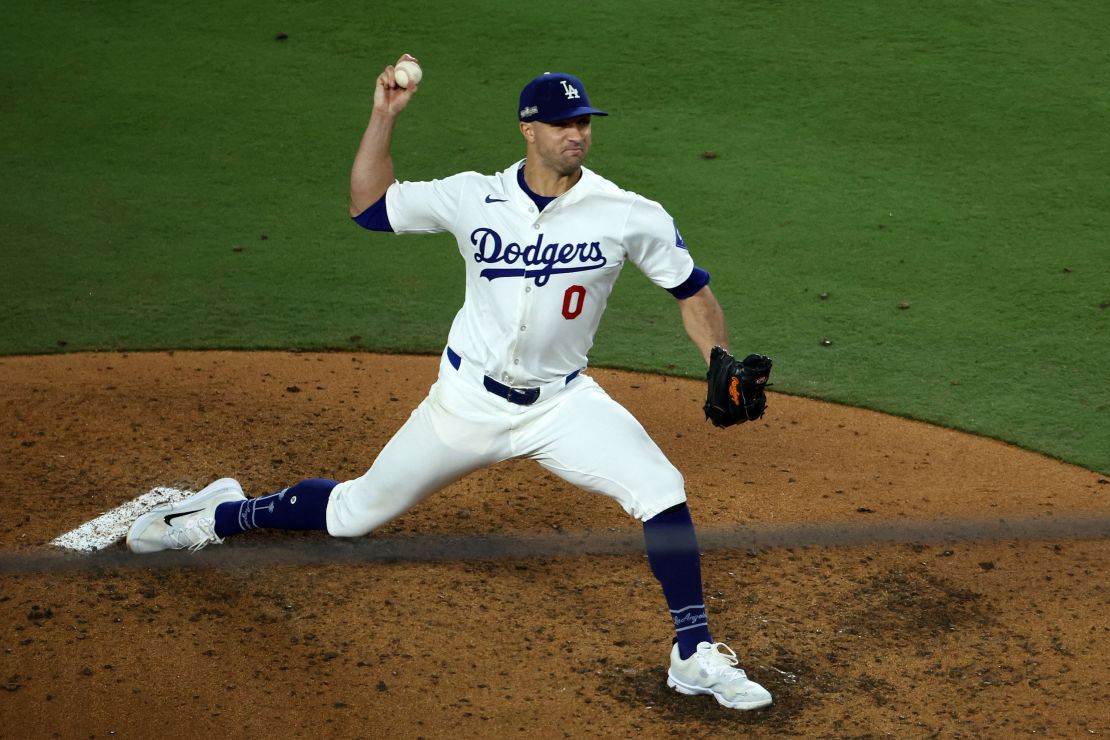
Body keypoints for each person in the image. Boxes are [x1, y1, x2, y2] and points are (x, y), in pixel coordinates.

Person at [127, 55, 773, 711]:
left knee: (660, 487)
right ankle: (212, 514)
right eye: (560, 123)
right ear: (528, 128)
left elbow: (691, 290)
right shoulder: (473, 196)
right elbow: (369, 205)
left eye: (583, 122)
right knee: (353, 515)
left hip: (562, 404)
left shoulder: (627, 212)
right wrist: (384, 116)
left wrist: (717, 357)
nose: (575, 133)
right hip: (465, 403)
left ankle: (693, 654)